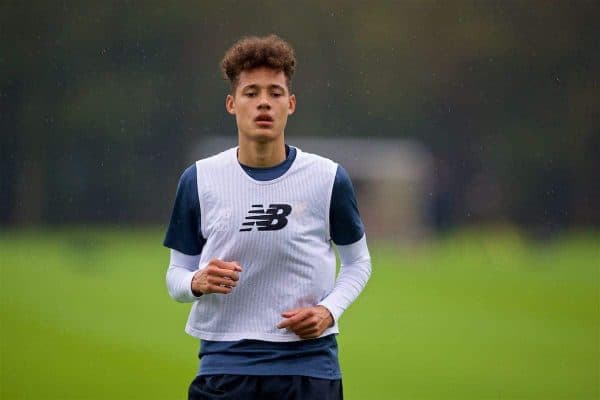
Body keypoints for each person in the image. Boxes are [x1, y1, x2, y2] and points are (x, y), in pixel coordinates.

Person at [164, 34, 371, 400]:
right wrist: (197, 281)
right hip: (225, 368)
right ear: (232, 103)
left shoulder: (327, 178)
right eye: (251, 92)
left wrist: (328, 311)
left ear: (290, 104)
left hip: (308, 368)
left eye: (275, 93)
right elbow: (175, 276)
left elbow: (358, 263)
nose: (264, 103)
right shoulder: (199, 179)